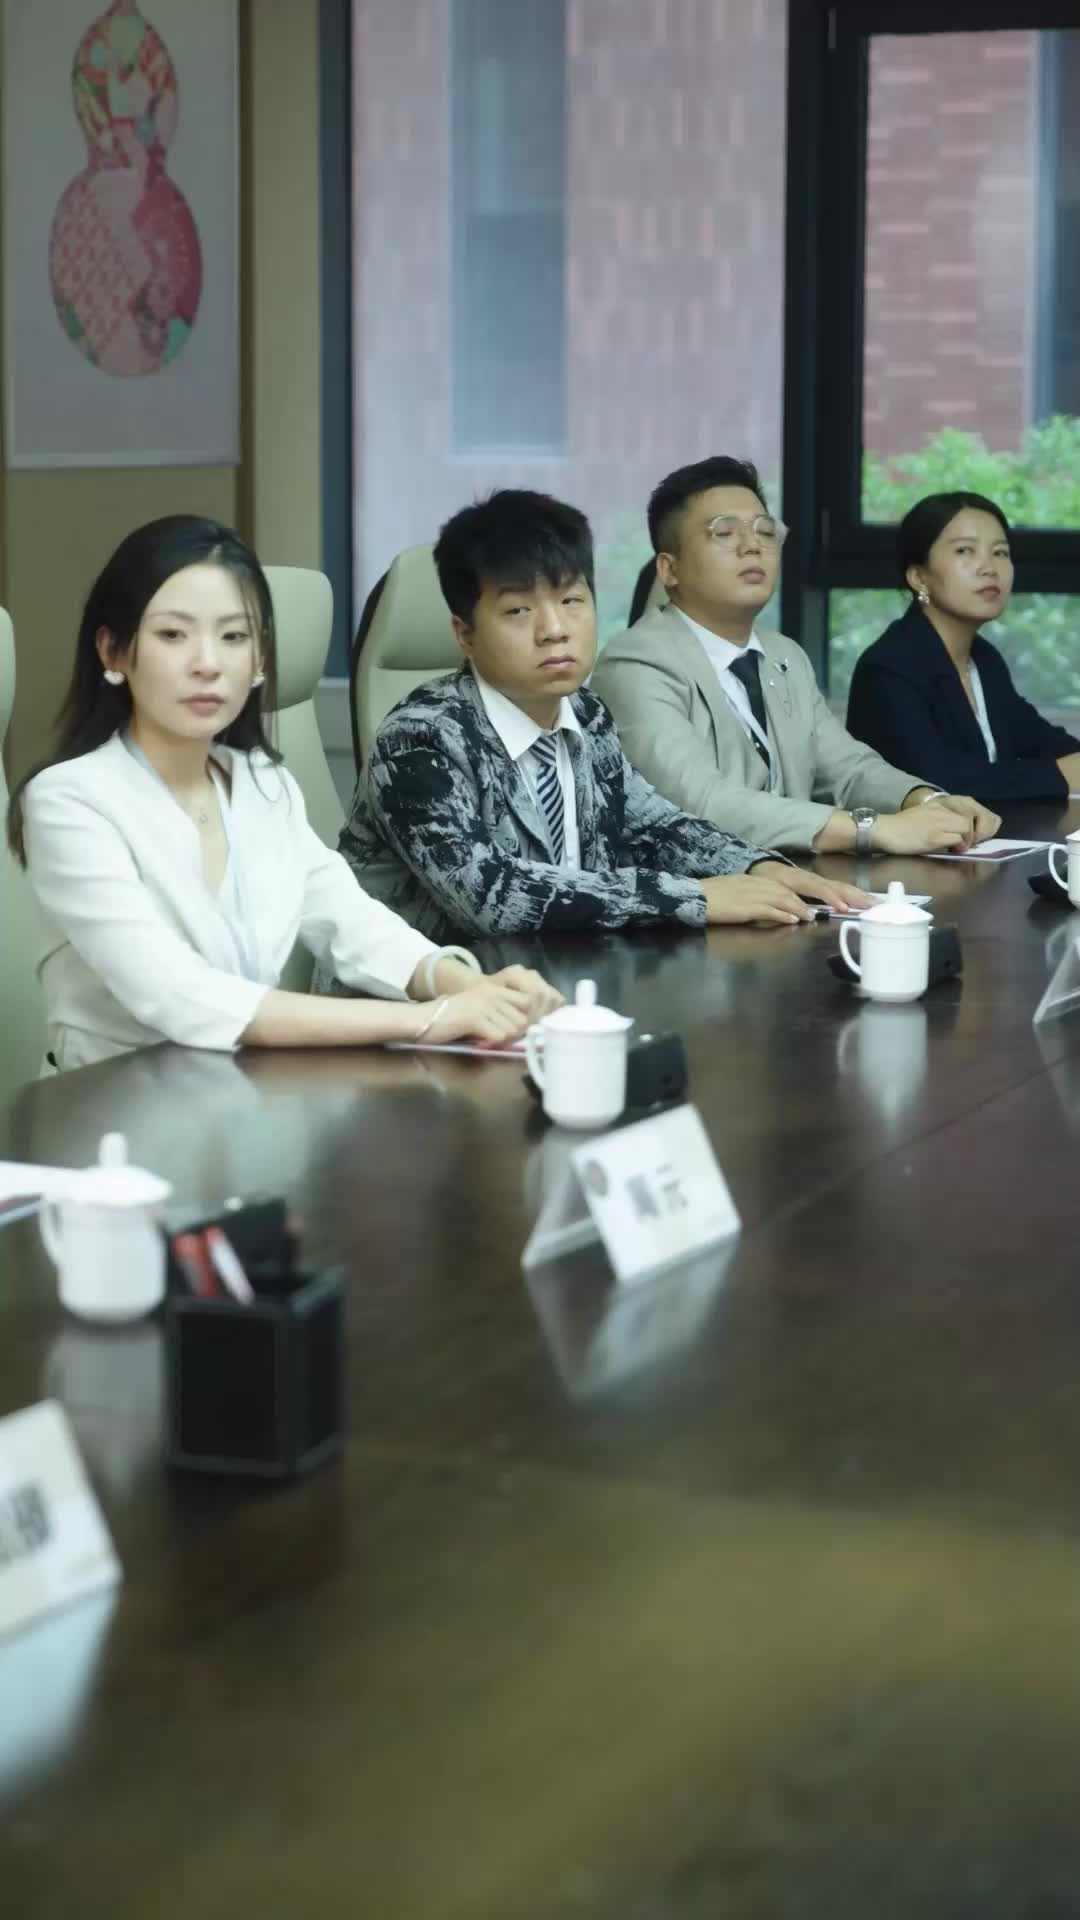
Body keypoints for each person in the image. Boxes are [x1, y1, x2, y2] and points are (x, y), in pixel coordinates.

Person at [6, 516, 562, 1071]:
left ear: (260, 661)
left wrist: (469, 985)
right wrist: (432, 1018)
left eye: (234, 637)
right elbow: (178, 996)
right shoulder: (69, 800)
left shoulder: (262, 783)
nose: (208, 663)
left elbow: (352, 922)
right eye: (173, 635)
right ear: (112, 652)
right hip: (113, 1106)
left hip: (246, 1091)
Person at [328, 488, 872, 947]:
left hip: (554, 988)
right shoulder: (420, 739)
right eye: (519, 610)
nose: (554, 630)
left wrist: (761, 868)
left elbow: (656, 827)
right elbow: (490, 897)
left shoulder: (585, 716)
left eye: (572, 601)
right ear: (464, 634)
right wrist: (694, 897)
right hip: (412, 1013)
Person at [592, 456, 1000, 855]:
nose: (752, 546)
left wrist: (927, 801)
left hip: (795, 884)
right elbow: (700, 802)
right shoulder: (636, 662)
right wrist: (872, 829)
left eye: (765, 531)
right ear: (669, 569)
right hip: (699, 891)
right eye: (725, 532)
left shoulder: (784, 656)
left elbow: (848, 769)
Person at [845, 491, 1080, 806]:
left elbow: (1044, 741)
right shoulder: (888, 668)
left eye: (1000, 552)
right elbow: (939, 781)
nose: (989, 568)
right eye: (965, 551)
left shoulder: (984, 659)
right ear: (919, 577)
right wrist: (1059, 775)